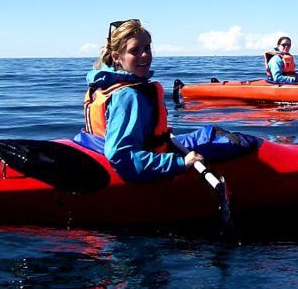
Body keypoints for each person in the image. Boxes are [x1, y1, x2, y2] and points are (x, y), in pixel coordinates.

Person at [74, 19, 204, 182]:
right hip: (136, 166)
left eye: (147, 47)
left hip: (96, 149)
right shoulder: (128, 95)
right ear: (116, 57)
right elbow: (121, 156)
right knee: (222, 140)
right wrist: (180, 163)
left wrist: (150, 129)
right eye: (134, 50)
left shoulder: (104, 84)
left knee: (210, 135)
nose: (145, 55)